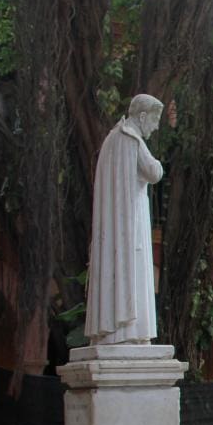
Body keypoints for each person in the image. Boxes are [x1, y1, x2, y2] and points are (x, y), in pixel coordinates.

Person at [85, 94, 165, 346]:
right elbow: (154, 172)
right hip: (129, 227)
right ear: (142, 117)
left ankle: (117, 332)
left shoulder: (111, 140)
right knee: (131, 272)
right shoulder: (131, 139)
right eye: (154, 120)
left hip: (118, 226)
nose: (156, 126)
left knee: (119, 272)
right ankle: (128, 333)